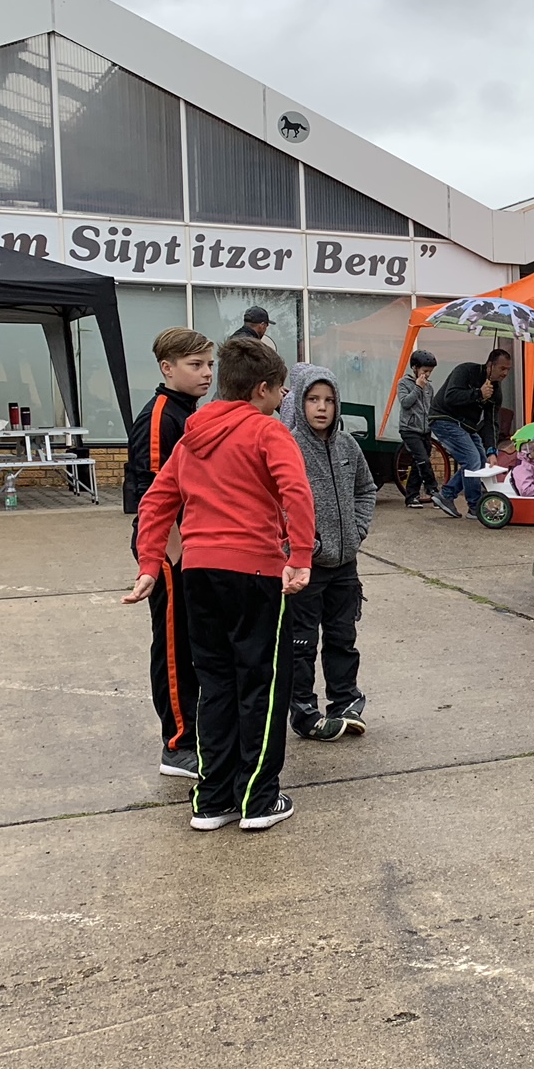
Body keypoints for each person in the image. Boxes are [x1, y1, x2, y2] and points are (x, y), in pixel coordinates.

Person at [123, 338, 314, 833]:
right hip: (255, 572)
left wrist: (149, 563)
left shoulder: (192, 436)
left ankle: (212, 800)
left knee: (215, 685)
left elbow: (156, 501)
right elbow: (296, 490)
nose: (284, 397)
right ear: (262, 389)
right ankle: (258, 798)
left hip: (198, 574)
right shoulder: (268, 431)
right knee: (263, 684)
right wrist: (301, 556)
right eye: (281, 389)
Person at [124, 327, 214, 780]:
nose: (207, 373)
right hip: (169, 551)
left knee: (194, 643)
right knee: (174, 647)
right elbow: (155, 494)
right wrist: (174, 555)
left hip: (192, 547)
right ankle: (177, 745)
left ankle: (196, 733)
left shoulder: (188, 411)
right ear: (167, 368)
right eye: (195, 365)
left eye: (210, 365)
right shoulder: (160, 416)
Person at [282, 364, 377, 741]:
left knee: (342, 637)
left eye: (329, 400)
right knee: (302, 642)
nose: (321, 407)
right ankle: (303, 709)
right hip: (306, 567)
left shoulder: (348, 445)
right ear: (299, 402)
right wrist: (303, 544)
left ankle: (345, 701)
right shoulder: (288, 446)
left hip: (345, 565)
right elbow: (277, 503)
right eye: (312, 399)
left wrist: (356, 531)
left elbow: (366, 489)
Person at [430, 349, 513, 518]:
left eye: (508, 369)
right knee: (472, 460)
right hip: (444, 418)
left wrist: (491, 450)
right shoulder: (465, 370)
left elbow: (491, 423)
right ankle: (475, 506)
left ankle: (446, 495)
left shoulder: (496, 392)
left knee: (480, 462)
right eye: (502, 368)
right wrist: (478, 393)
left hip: (467, 425)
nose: (505, 373)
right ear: (490, 365)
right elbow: (450, 396)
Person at [397, 349, 440, 508]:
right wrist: (417, 387)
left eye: (430, 372)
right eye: (424, 371)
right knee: (423, 460)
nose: (427, 375)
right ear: (415, 368)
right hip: (409, 429)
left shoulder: (429, 388)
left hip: (425, 430)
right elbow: (405, 403)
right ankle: (433, 490)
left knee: (418, 463)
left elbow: (431, 408)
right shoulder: (403, 383)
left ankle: (411, 496)